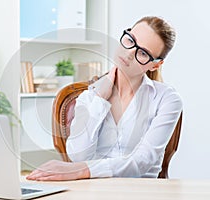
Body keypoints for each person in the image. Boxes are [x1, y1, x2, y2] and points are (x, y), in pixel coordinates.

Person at [27, 16, 183, 181]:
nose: (129, 53)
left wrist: (83, 170)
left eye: (143, 53)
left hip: (141, 192)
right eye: (130, 40)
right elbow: (78, 157)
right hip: (94, 191)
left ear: (156, 64)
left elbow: (142, 161)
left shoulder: (167, 99)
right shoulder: (90, 96)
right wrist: (100, 100)